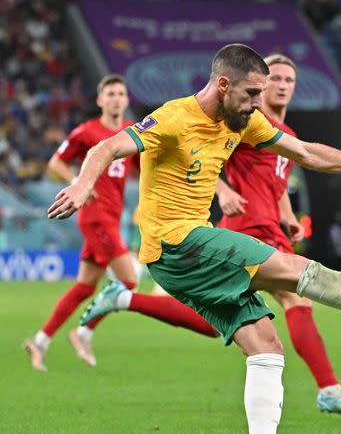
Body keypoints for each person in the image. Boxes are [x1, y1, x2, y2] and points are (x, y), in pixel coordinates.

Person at [48, 44, 341, 434]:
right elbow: (107, 146)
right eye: (253, 93)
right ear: (224, 84)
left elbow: (307, 153)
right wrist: (81, 185)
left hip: (188, 250)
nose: (260, 103)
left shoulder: (245, 119)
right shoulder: (173, 117)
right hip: (177, 242)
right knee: (295, 271)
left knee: (267, 345)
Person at [215, 54, 341, 419]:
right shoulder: (247, 121)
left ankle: (125, 299)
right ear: (261, 84)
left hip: (271, 227)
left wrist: (288, 216)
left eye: (290, 80)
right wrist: (222, 191)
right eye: (277, 79)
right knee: (296, 301)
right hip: (249, 228)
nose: (283, 85)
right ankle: (329, 389)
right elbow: (201, 154)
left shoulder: (285, 136)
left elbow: (277, 185)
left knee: (217, 313)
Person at [23, 75, 217, 371]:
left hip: (113, 217)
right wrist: (78, 182)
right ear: (100, 100)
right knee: (127, 280)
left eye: (120, 94)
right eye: (110, 94)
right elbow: (55, 163)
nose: (115, 98)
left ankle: (40, 341)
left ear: (126, 100)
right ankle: (83, 332)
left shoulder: (132, 133)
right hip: (95, 216)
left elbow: (147, 167)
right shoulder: (86, 131)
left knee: (86, 286)